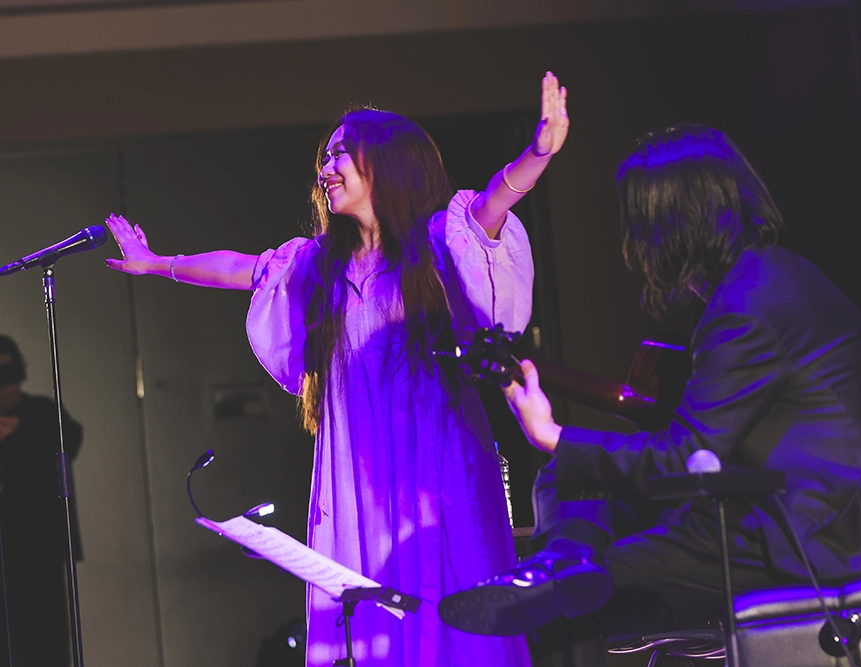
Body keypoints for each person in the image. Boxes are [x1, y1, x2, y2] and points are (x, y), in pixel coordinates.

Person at [104, 72, 569, 667]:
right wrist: (156, 263)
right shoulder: (318, 263)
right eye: (325, 156)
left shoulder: (436, 241)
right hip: (355, 467)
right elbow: (239, 268)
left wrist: (537, 154)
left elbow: (492, 205)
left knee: (448, 601)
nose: (326, 167)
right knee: (365, 608)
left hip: (435, 459)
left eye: (340, 154)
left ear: (386, 165)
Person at [439, 125, 861, 665]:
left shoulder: (748, 305)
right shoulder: (766, 279)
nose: (632, 244)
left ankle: (564, 578)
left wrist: (552, 433)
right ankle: (564, 565)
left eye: (637, 221)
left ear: (672, 221)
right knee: (571, 478)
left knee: (576, 593)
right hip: (781, 508)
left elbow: (687, 454)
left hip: (824, 534)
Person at [0, 334, 83, 667]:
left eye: (10, 380)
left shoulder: (42, 414)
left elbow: (68, 442)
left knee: (48, 644)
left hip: (40, 550)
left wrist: (19, 433)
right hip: (6, 555)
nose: (6, 390)